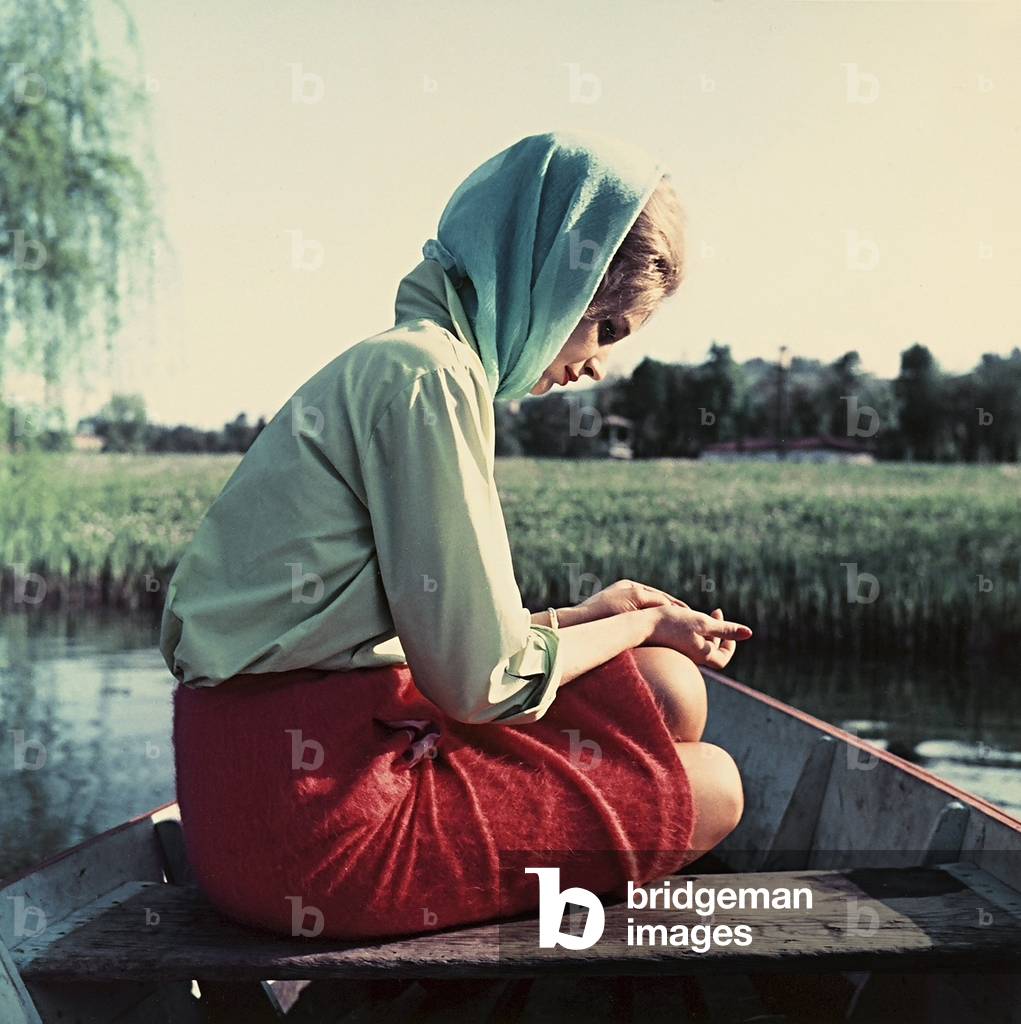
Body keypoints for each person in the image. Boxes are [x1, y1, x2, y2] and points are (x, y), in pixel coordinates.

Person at [162, 129, 752, 941]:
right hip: (313, 832)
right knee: (714, 787)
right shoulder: (429, 378)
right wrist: (643, 620)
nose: (595, 365)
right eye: (605, 327)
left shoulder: (410, 362)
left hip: (285, 780)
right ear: (551, 282)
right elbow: (481, 682)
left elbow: (426, 643)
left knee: (666, 688)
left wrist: (590, 615)